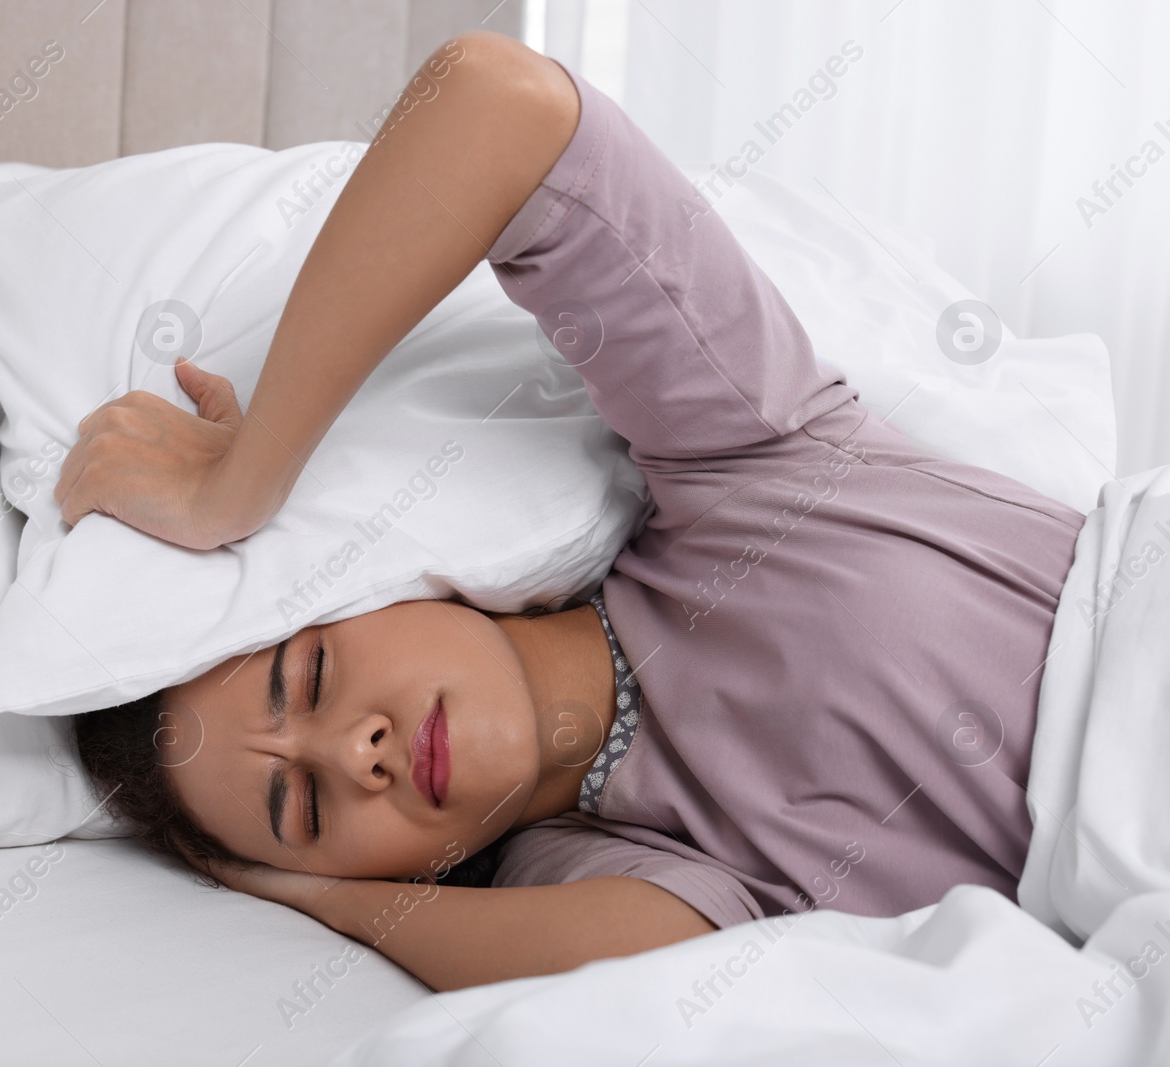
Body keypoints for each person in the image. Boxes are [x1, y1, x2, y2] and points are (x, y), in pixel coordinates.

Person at [57, 30, 1084, 993]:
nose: (355, 752)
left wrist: (243, 479)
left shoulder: (745, 467)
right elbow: (649, 965)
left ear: (366, 588)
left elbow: (497, 106)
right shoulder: (603, 863)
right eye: (308, 807)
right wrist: (310, 895)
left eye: (314, 677)